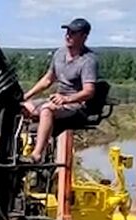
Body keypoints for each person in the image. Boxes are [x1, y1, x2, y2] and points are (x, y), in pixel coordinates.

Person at [22, 18, 99, 163]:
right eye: (67, 31)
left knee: (47, 109)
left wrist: (66, 99)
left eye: (73, 33)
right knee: (22, 108)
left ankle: (37, 154)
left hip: (76, 105)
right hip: (57, 100)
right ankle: (17, 147)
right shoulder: (59, 54)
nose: (68, 35)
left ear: (84, 37)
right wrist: (27, 95)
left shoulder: (88, 60)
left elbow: (89, 91)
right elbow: (48, 80)